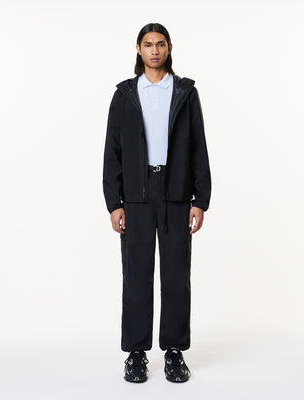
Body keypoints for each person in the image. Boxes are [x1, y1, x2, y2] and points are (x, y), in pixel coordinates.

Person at [102, 22, 211, 383]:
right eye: (148, 44)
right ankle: (136, 353)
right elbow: (112, 151)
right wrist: (114, 202)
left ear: (169, 48)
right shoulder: (125, 94)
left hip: (176, 192)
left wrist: (200, 199)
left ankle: (174, 351)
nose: (154, 50)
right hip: (137, 194)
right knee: (136, 275)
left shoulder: (185, 92)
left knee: (176, 275)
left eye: (160, 44)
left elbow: (198, 146)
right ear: (138, 49)